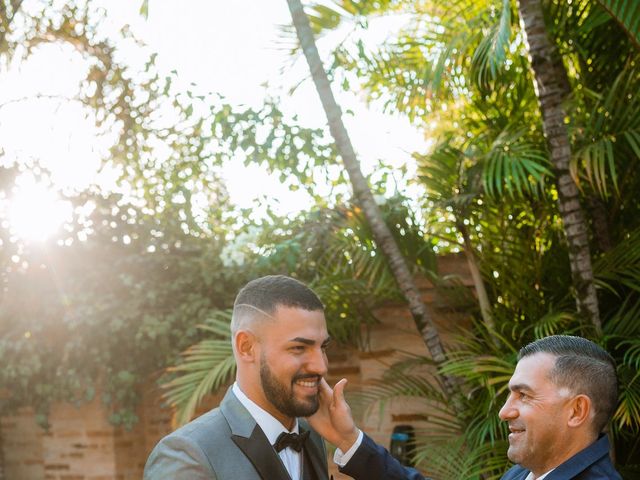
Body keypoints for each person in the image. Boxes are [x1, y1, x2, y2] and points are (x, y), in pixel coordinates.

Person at [308, 335, 622, 480]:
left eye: (524, 395)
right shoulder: (525, 473)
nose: (504, 411)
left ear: (577, 411)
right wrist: (349, 440)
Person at [144, 275, 333, 480]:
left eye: (322, 347)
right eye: (299, 348)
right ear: (246, 347)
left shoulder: (313, 435)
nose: (321, 366)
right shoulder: (188, 455)